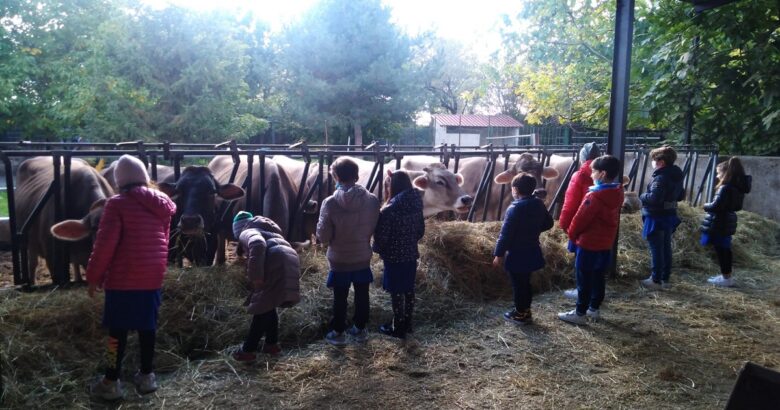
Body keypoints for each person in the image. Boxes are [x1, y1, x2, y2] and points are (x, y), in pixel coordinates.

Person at [87, 155, 176, 400]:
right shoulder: (162, 205)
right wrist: (155, 271)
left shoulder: (116, 204)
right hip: (151, 279)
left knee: (117, 333)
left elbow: (105, 245)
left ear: (119, 181)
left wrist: (93, 276)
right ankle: (147, 376)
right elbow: (164, 242)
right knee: (148, 328)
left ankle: (111, 380)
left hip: (122, 280)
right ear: (144, 179)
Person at [317, 157, 380, 346]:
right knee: (362, 293)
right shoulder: (372, 200)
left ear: (335, 177)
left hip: (339, 259)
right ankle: (360, 329)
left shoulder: (329, 203)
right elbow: (374, 227)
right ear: (357, 175)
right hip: (362, 255)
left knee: (340, 296)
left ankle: (338, 332)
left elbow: (323, 236)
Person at [558, 155, 624, 325]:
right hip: (604, 244)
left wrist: (571, 234)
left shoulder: (593, 197)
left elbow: (580, 220)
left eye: (593, 171)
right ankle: (594, 308)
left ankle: (580, 313)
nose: (591, 174)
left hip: (588, 244)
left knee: (584, 278)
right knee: (598, 276)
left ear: (602, 174)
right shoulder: (617, 192)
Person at [231, 211, 301, 362]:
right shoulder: (269, 230)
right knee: (270, 305)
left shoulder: (247, 231)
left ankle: (248, 350)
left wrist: (255, 276)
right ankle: (271, 344)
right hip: (289, 261)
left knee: (261, 308)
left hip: (275, 262)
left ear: (238, 229)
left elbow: (257, 244)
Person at [492, 173, 554, 325]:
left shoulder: (514, 208)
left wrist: (498, 254)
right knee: (525, 283)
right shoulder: (538, 203)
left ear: (515, 190)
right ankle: (526, 309)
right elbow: (549, 223)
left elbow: (505, 235)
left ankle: (520, 314)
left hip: (517, 254)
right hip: (532, 250)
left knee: (518, 285)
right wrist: (533, 229)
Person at [373, 170, 425, 338]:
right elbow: (420, 231)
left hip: (394, 257)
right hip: (410, 254)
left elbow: (382, 236)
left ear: (391, 187)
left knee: (396, 291)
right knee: (408, 289)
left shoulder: (389, 210)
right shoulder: (417, 205)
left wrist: (377, 249)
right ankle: (408, 323)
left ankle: (397, 326)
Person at [639, 146, 686, 290]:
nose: (653, 162)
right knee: (665, 247)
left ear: (661, 161)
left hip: (656, 217)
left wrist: (641, 196)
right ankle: (665, 278)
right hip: (669, 215)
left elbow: (654, 198)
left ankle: (655, 279)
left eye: (655, 159)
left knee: (656, 249)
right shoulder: (676, 176)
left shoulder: (660, 177)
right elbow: (681, 195)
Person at [559, 142, 601, 299]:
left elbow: (570, 203)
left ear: (582, 158)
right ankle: (595, 294)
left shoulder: (580, 175)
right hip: (602, 227)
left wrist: (564, 225)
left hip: (582, 225)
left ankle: (582, 291)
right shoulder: (607, 174)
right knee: (597, 263)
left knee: (582, 262)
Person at [700, 158, 751, 287]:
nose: (717, 176)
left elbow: (716, 206)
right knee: (725, 249)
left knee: (721, 250)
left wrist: (705, 205)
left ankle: (726, 278)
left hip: (720, 222)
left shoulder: (725, 188)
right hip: (728, 220)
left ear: (725, 173)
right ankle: (726, 276)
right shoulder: (737, 188)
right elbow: (737, 207)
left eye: (718, 173)